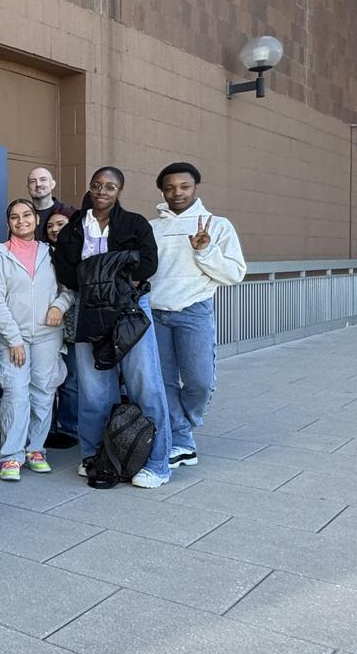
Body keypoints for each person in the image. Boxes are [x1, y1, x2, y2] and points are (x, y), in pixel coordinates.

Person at [51, 167, 173, 489]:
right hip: (89, 309)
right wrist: (111, 270)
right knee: (93, 391)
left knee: (144, 383)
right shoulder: (74, 229)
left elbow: (148, 264)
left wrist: (108, 277)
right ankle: (94, 457)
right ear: (90, 188)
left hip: (129, 307)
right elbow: (66, 271)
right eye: (97, 185)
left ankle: (158, 463)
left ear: (119, 190)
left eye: (110, 186)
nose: (102, 191)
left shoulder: (135, 223)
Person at [150, 163, 246, 467]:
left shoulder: (218, 225)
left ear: (195, 187)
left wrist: (204, 251)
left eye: (184, 186)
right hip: (155, 313)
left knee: (200, 381)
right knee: (163, 381)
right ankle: (181, 439)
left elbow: (235, 273)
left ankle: (184, 426)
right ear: (162, 190)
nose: (177, 192)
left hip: (194, 312)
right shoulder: (153, 227)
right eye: (170, 187)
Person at [0, 199, 72, 480]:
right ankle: (10, 456)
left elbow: (68, 289)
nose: (21, 221)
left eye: (27, 215)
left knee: (44, 392)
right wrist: (14, 340)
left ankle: (36, 449)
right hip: (13, 337)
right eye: (14, 217)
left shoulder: (52, 252)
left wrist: (59, 306)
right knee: (16, 392)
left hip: (48, 335)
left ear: (36, 219)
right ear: (8, 222)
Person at [43, 207, 80, 447]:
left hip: (74, 327)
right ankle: (45, 428)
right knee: (46, 380)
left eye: (61, 224)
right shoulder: (42, 253)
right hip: (47, 325)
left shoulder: (79, 251)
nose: (55, 229)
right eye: (50, 226)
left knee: (71, 380)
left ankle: (68, 428)